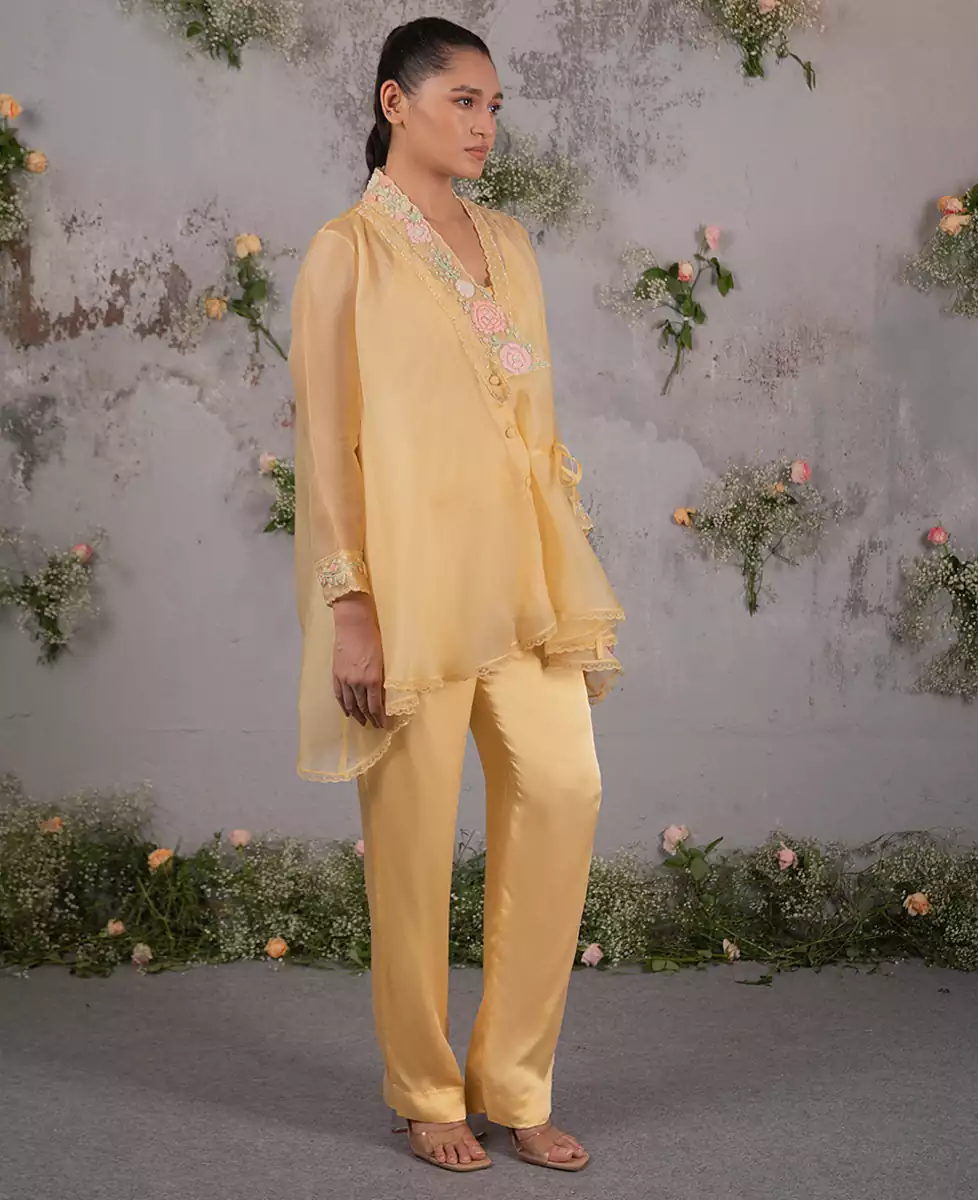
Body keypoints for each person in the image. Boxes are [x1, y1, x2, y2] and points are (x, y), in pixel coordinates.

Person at [289, 16, 624, 1175]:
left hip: (521, 586)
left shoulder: (506, 245)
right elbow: (327, 445)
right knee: (413, 850)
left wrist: (563, 563)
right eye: (462, 102)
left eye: (493, 106)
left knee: (566, 792)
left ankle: (516, 1083)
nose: (484, 125)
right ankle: (427, 1090)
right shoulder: (348, 252)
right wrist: (351, 606)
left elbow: (526, 415)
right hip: (409, 596)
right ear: (396, 103)